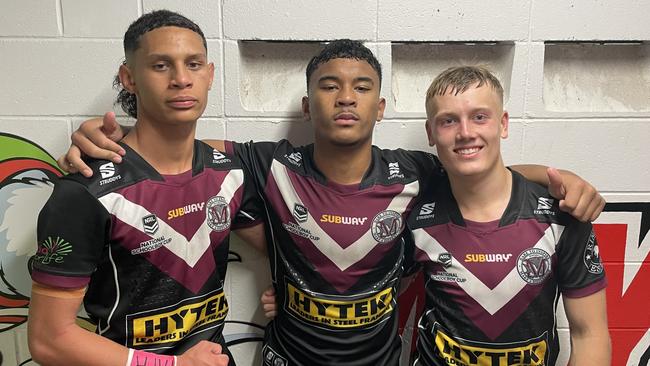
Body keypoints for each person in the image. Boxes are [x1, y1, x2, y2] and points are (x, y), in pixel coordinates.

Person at [58, 40, 605, 365]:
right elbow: (175, 147)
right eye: (330, 85)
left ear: (382, 106)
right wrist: (105, 140)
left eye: (362, 86)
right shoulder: (265, 164)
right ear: (306, 102)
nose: (346, 97)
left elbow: (481, 169)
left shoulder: (416, 174)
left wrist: (559, 180)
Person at [28, 10, 265, 366]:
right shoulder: (85, 191)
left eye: (194, 64)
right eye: (160, 66)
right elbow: (49, 340)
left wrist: (292, 294)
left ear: (211, 75)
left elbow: (296, 250)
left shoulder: (229, 173)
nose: (182, 79)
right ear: (129, 78)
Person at [406, 66, 610, 365]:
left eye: (479, 117)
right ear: (431, 133)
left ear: (502, 123)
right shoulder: (414, 214)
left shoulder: (561, 215)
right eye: (448, 121)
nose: (465, 133)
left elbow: (589, 335)